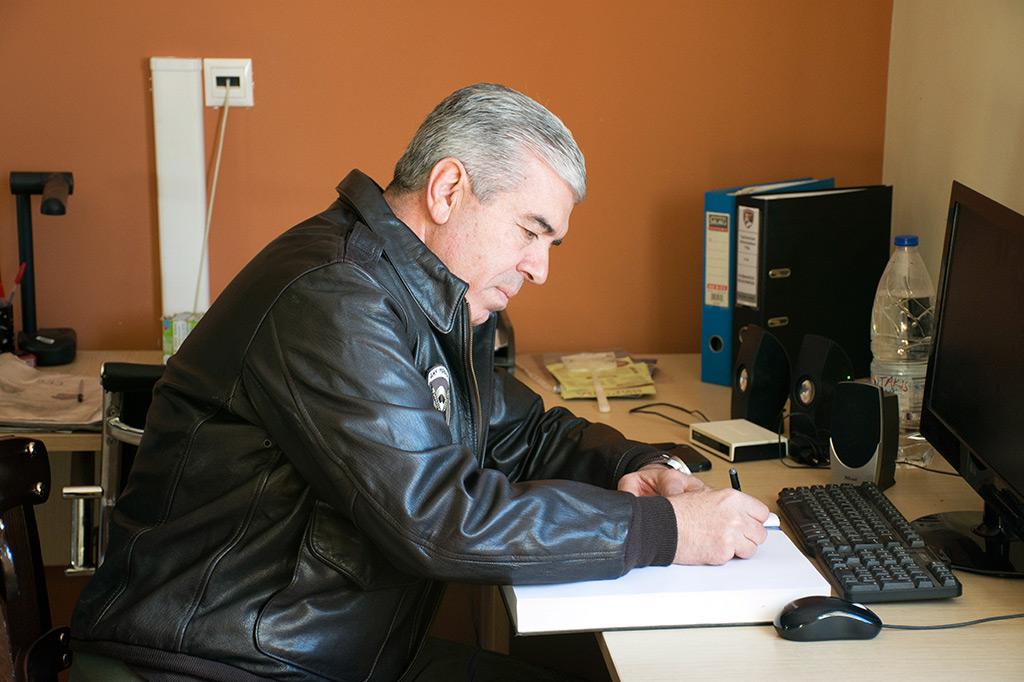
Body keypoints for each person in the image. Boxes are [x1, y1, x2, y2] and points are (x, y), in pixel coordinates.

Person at [69, 83, 769, 682]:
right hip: (209, 664)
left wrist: (639, 465)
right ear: (448, 190)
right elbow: (438, 519)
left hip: (326, 657)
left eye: (550, 243)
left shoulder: (429, 297)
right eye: (530, 231)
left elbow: (521, 433)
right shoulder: (333, 296)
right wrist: (665, 530)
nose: (540, 268)